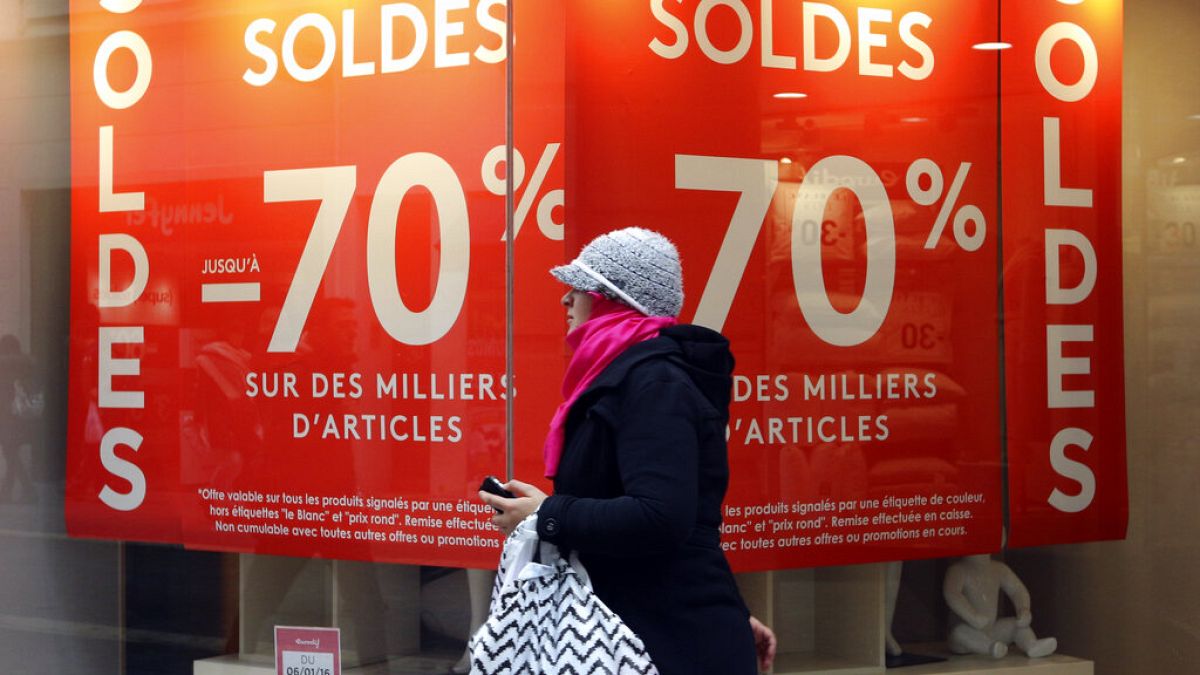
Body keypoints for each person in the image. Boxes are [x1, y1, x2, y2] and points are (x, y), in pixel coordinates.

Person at [478, 228, 776, 674]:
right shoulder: (632, 378)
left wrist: (546, 515)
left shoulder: (653, 385)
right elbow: (688, 520)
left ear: (610, 300)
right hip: (649, 630)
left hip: (665, 642)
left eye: (577, 288)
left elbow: (661, 518)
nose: (565, 300)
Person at [943, 552, 1057, 659]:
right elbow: (952, 594)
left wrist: (1023, 609)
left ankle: (1031, 645)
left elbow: (1017, 590)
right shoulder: (958, 570)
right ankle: (991, 647)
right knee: (959, 633)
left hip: (992, 629)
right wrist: (973, 617)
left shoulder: (999, 569)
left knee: (1016, 625)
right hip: (968, 631)